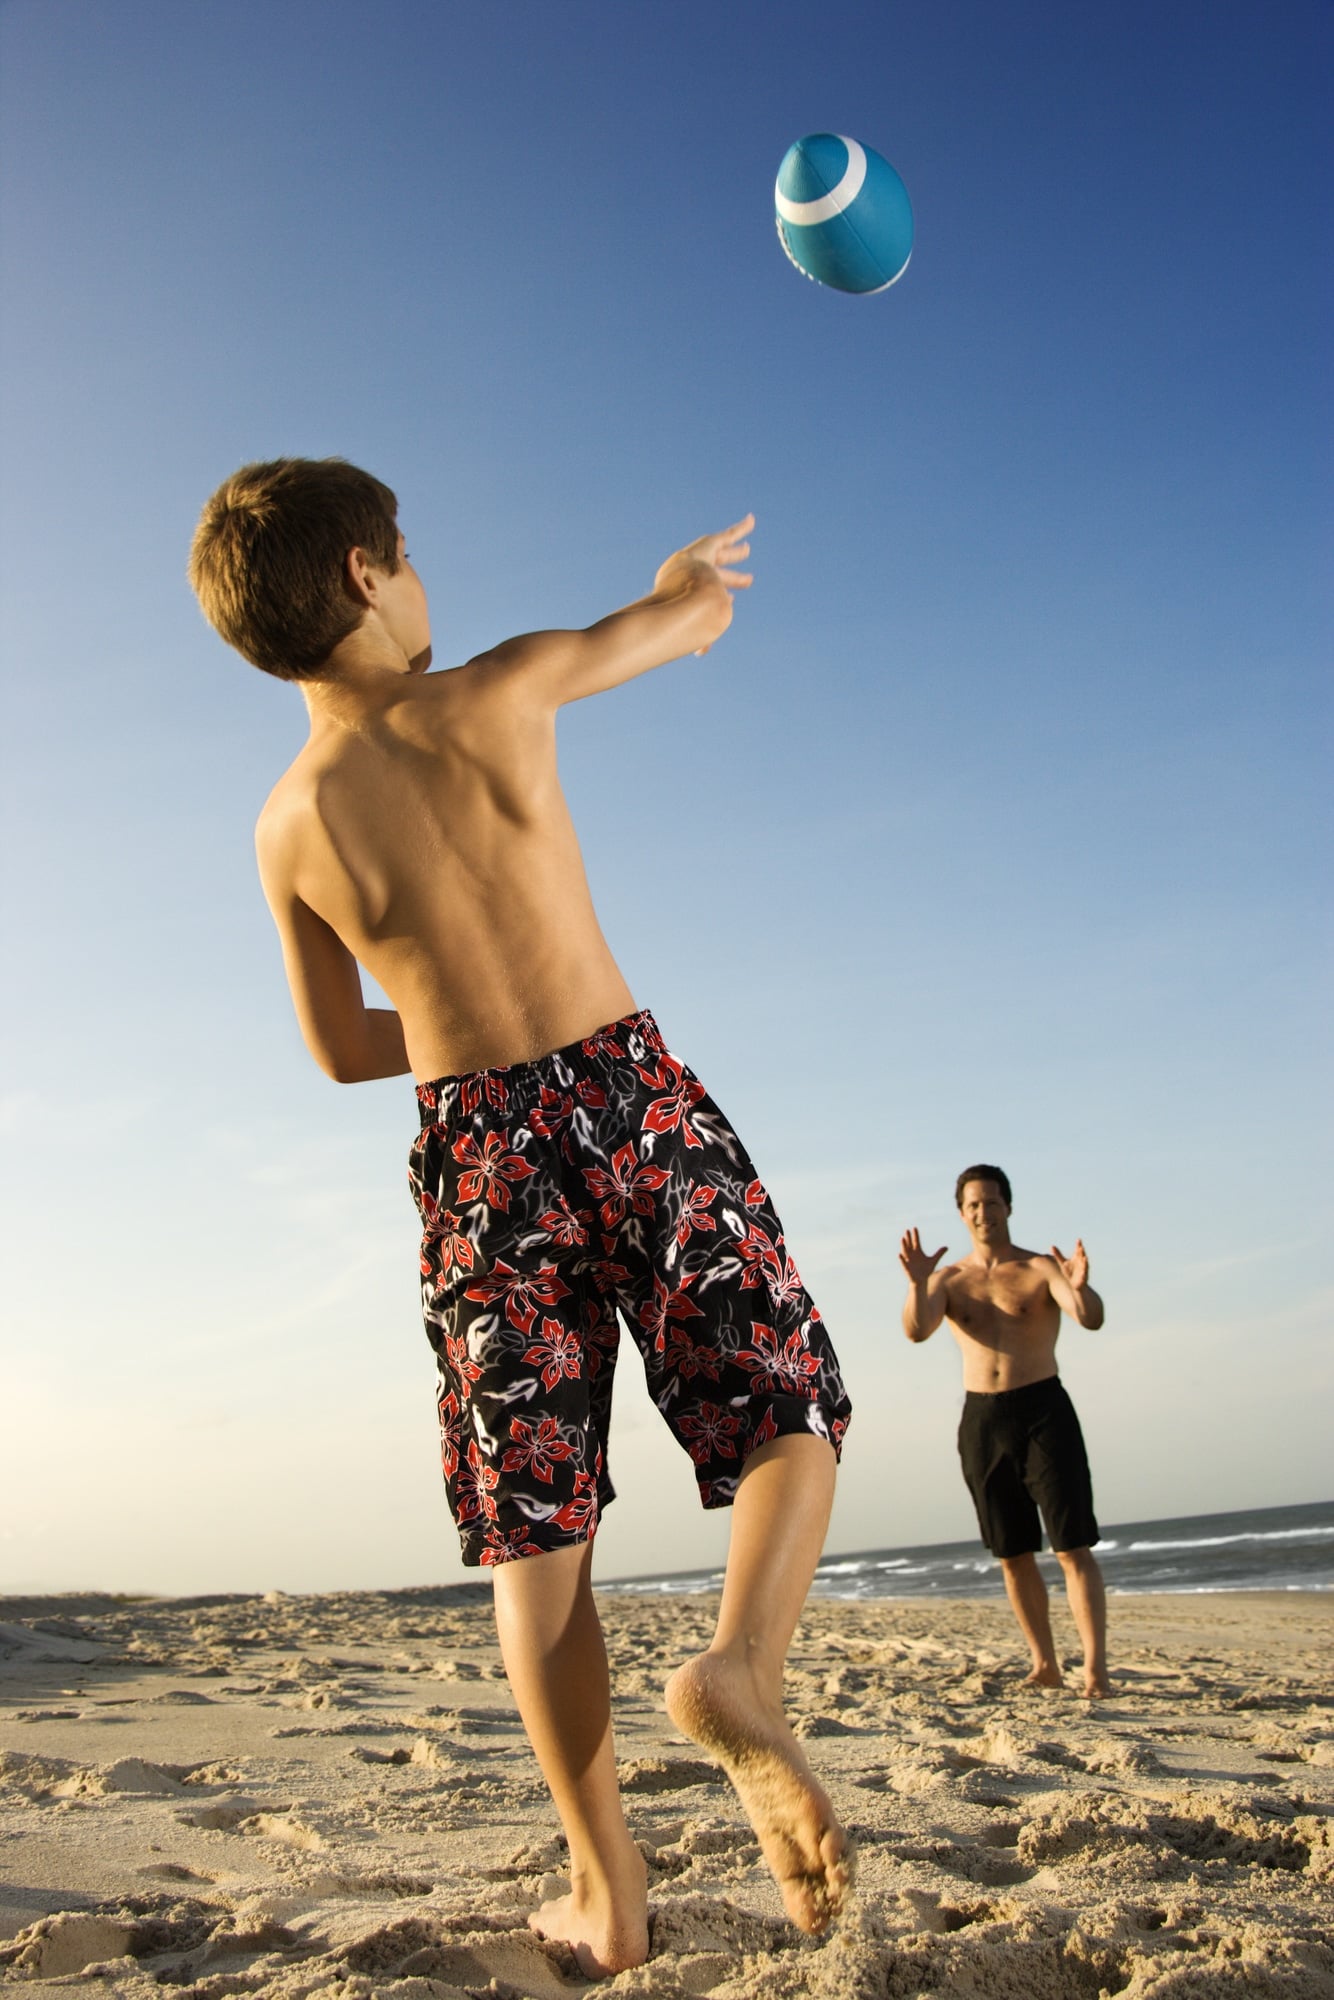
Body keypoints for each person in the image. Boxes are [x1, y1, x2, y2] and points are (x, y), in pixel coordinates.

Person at [188, 459, 853, 1976]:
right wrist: (692, 584)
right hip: (624, 1093)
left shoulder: (288, 826)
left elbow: (338, 1046)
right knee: (781, 1402)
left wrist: (448, 1036)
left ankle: (606, 1892)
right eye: (407, 554)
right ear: (365, 574)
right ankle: (742, 1669)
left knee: (533, 1530)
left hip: (475, 1157)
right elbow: (677, 626)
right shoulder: (495, 693)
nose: (422, 580)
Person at [899, 1165, 1109, 1698]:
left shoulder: (1040, 1267)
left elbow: (1088, 1317)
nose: (982, 1213)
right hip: (983, 1420)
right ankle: (1045, 1663)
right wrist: (919, 1282)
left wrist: (1082, 1286)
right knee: (1012, 1553)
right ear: (961, 1212)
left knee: (1072, 1546)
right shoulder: (949, 1281)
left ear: (1008, 1207)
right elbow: (917, 1330)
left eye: (991, 1203)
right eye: (972, 1205)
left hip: (1044, 1411)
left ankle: (1095, 1669)